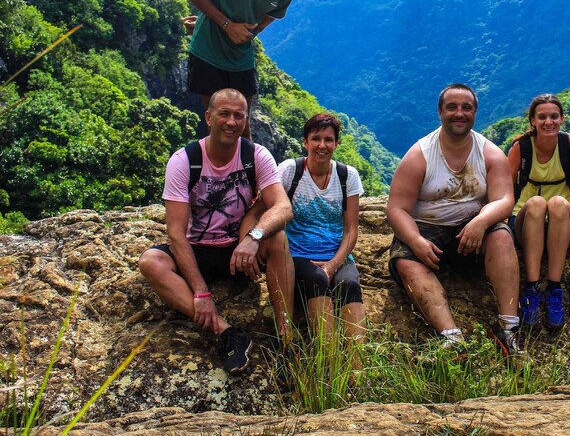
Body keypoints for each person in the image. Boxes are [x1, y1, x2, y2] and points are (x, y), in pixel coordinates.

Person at [138, 88, 295, 374]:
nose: (231, 122)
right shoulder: (184, 161)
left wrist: (253, 237)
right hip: (197, 249)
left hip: (238, 250)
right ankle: (228, 333)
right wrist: (200, 293)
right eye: (224, 114)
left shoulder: (255, 155)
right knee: (151, 262)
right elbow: (175, 233)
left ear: (245, 121)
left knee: (278, 240)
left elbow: (282, 208)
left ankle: (286, 339)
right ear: (208, 117)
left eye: (238, 116)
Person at [386, 83, 524, 360]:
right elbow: (397, 208)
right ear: (440, 112)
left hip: (472, 226)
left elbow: (504, 200)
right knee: (405, 260)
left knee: (502, 236)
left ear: (475, 112)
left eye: (466, 108)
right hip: (427, 227)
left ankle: (508, 328)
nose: (459, 113)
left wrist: (481, 222)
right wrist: (415, 241)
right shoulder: (420, 154)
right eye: (452, 107)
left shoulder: (489, 153)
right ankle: (452, 339)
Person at [241, 113, 366, 366]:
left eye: (329, 140)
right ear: (305, 142)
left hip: (335, 253)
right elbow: (260, 210)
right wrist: (251, 242)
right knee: (317, 279)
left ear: (336, 144)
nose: (322, 145)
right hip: (297, 254)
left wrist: (334, 264)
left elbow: (351, 229)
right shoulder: (290, 171)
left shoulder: (347, 176)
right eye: (316, 139)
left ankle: (357, 368)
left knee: (350, 284)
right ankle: (328, 365)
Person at [183, 0, 317, 139]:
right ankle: (217, 172)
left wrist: (221, 26)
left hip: (240, 60)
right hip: (206, 53)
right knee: (218, 125)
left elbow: (256, 28)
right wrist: (225, 25)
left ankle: (248, 172)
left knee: (242, 127)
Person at [507, 94, 570, 330]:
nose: (548, 122)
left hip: (562, 222)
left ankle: (554, 290)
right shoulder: (521, 148)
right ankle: (531, 288)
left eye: (553, 116)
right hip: (527, 220)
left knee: (559, 202)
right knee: (538, 203)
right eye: (542, 117)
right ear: (532, 121)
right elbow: (505, 194)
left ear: (562, 119)